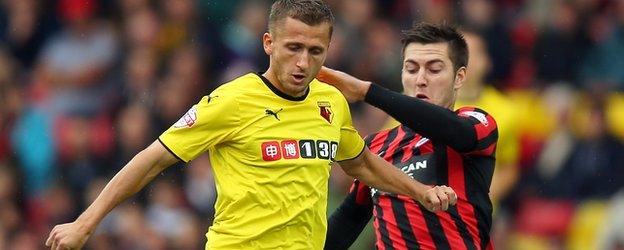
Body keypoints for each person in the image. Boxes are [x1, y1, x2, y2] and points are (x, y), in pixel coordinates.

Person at [45, 1, 457, 250]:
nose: (303, 62)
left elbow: (361, 164)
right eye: (293, 47)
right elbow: (151, 160)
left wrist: (419, 192)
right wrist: (85, 223)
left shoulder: (330, 103)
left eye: (315, 51)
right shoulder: (231, 100)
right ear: (268, 44)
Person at [320, 22, 498, 250]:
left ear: (459, 77)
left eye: (434, 70)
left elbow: (453, 130)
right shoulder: (376, 145)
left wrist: (366, 91)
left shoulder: (476, 122)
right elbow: (350, 217)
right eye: (412, 69)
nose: (420, 80)